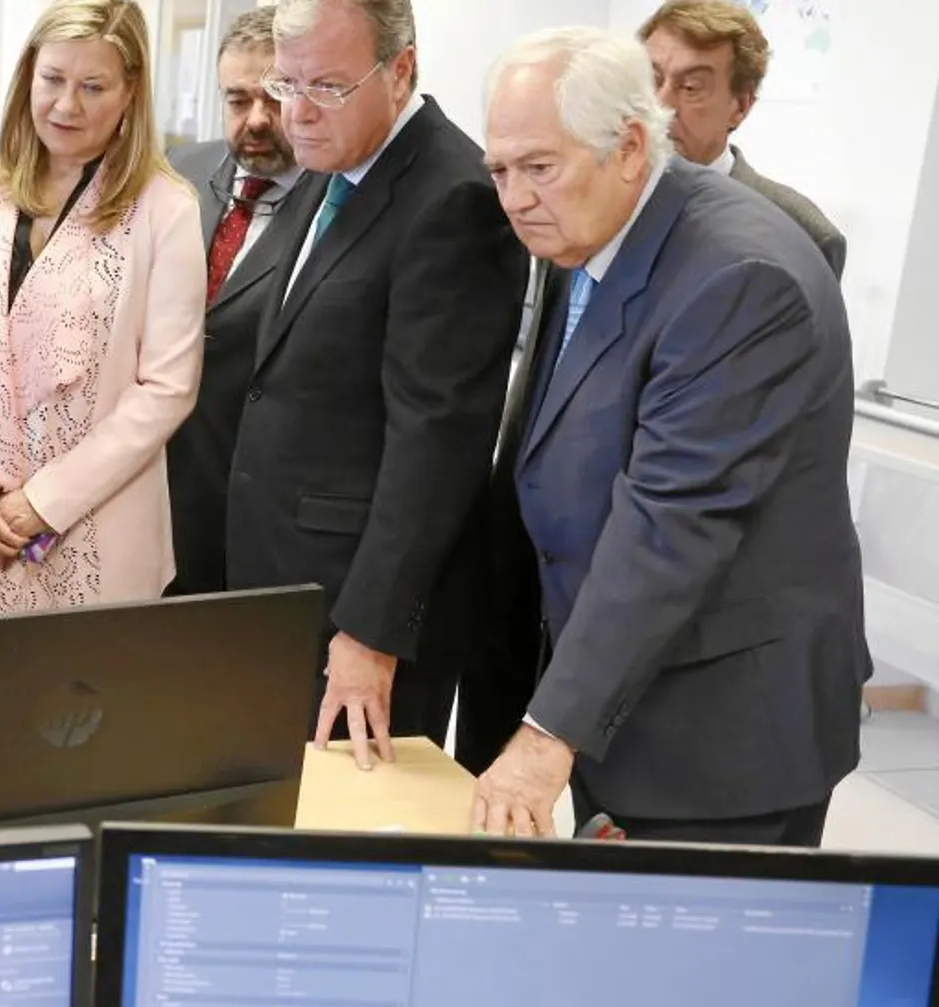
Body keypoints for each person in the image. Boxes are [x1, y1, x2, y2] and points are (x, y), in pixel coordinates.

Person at [470, 28, 866, 846]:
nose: (514, 197)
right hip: (631, 701)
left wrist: (547, 734)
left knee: (708, 971)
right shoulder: (591, 229)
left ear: (630, 147)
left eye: (538, 167)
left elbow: (671, 526)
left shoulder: (737, 279)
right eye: (500, 171)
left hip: (723, 738)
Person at [227, 0, 527, 765]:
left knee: (349, 851)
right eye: (285, 82)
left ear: (401, 70)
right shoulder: (332, 170)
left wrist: (369, 634)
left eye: (325, 86)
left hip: (363, 618)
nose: (296, 112)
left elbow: (439, 441)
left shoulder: (452, 197)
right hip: (288, 594)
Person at [0, 0, 204, 613]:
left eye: (93, 87)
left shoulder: (166, 207)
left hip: (96, 532)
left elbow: (168, 387)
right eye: (53, 80)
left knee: (87, 704)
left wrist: (44, 501)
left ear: (130, 94)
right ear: (27, 79)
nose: (67, 106)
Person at [164, 7, 313, 597]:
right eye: (236, 100)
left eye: (274, 99)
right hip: (160, 497)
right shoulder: (184, 171)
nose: (255, 120)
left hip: (260, 513)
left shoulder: (336, 203)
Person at [639, 0, 844, 277]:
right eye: (651, 80)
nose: (660, 106)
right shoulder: (596, 201)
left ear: (740, 107)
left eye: (690, 87)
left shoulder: (800, 231)